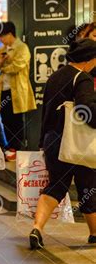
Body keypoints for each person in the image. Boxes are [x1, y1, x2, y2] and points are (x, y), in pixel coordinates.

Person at [29, 39, 96, 249]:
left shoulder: (55, 76)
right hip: (76, 143)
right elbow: (87, 111)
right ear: (90, 59)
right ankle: (94, 234)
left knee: (56, 186)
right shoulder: (82, 78)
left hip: (53, 140)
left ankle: (37, 228)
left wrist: (43, 141)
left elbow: (46, 112)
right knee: (88, 187)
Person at [0, 21, 36, 160]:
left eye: (2, 36)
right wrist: (0, 62)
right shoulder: (1, 50)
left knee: (16, 120)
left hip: (17, 91)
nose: (1, 39)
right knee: (5, 119)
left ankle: (17, 148)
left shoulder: (22, 48)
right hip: (3, 90)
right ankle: (10, 147)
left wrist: (4, 66)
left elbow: (18, 66)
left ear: (10, 34)